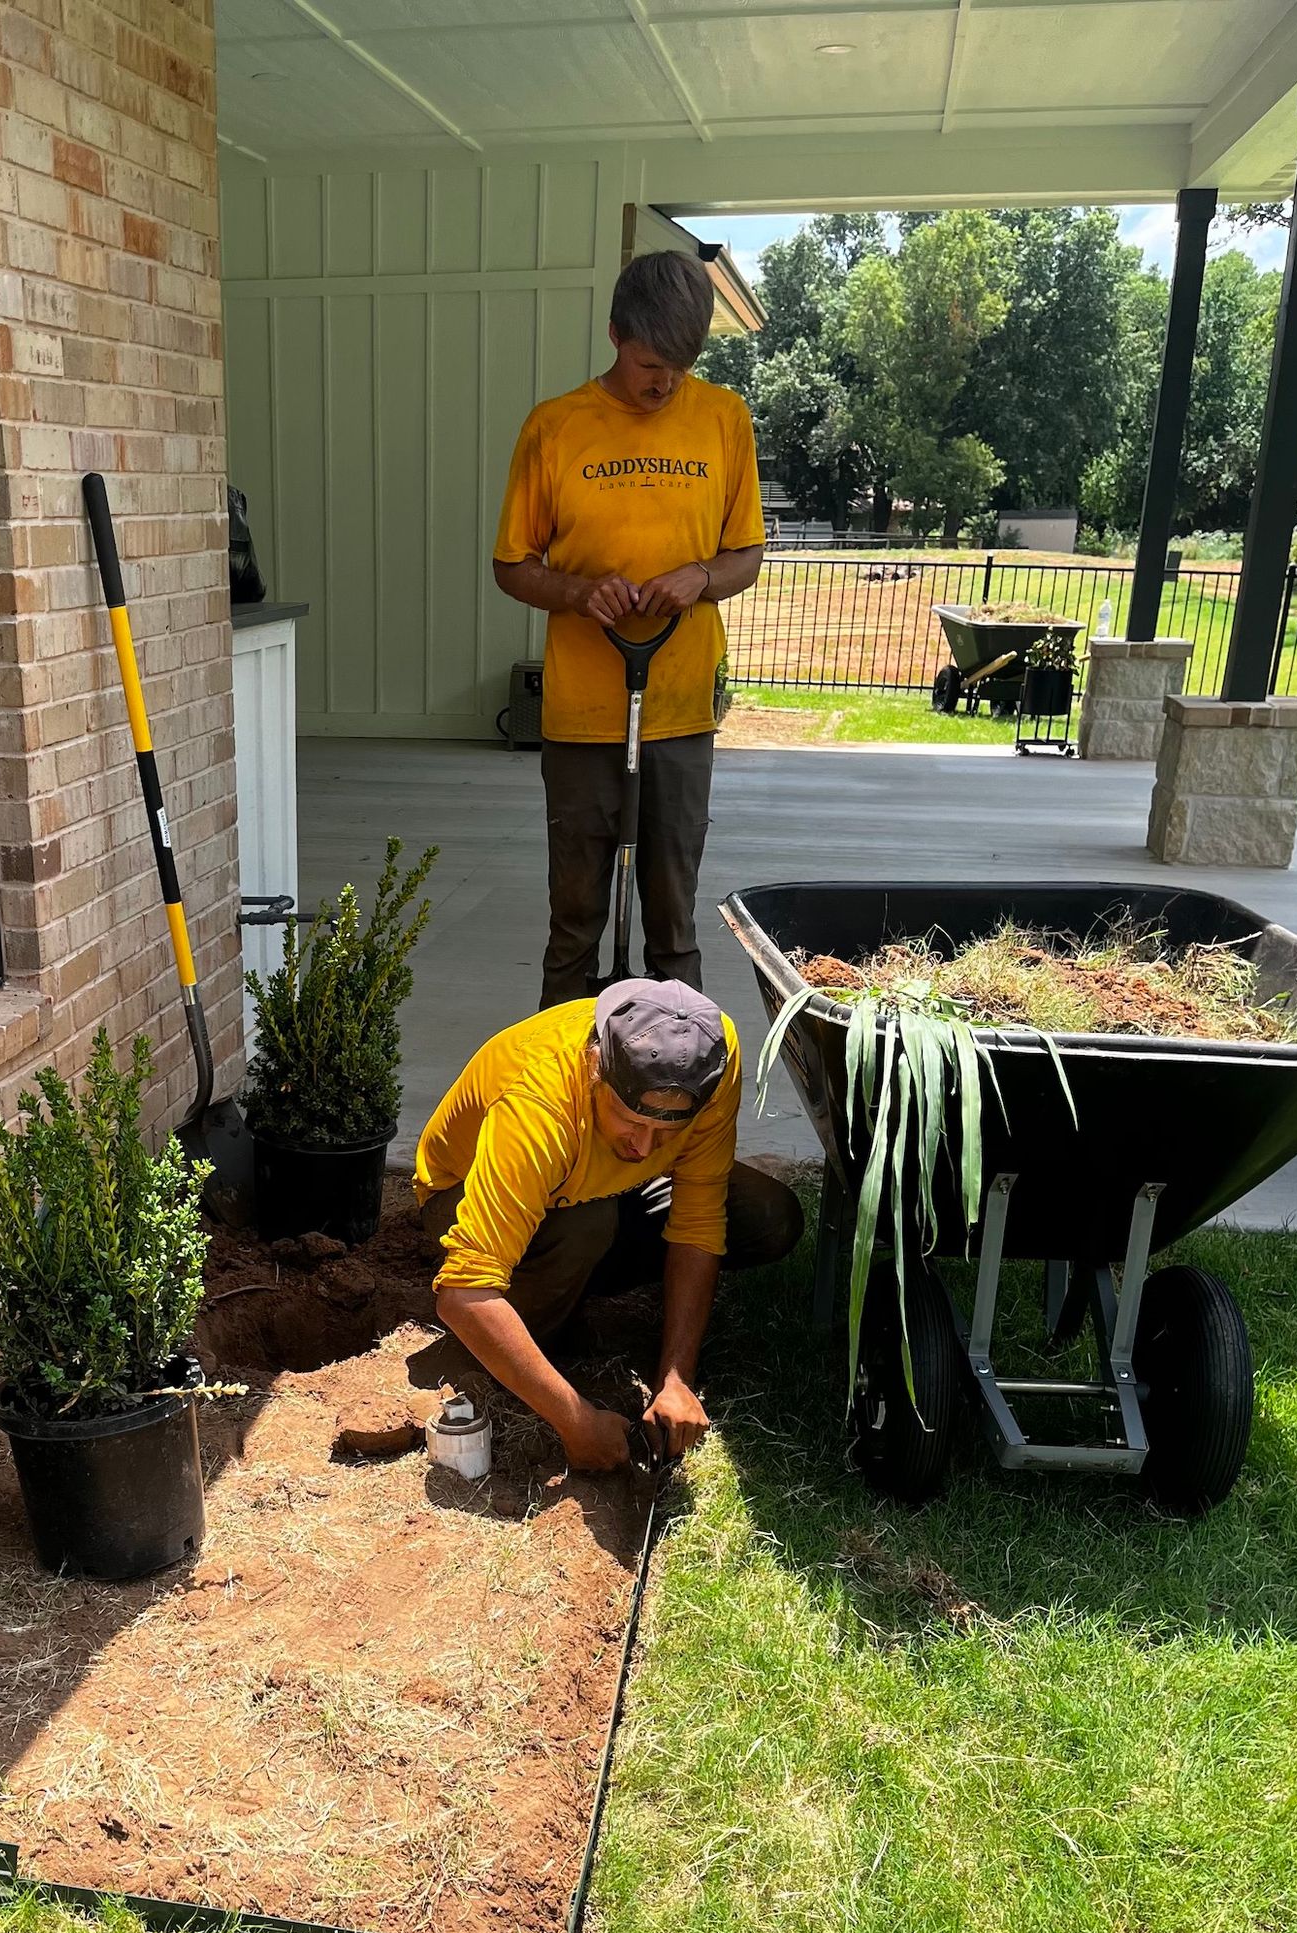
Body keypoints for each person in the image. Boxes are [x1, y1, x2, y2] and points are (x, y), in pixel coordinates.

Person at [493, 248, 766, 1005]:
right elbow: (512, 564)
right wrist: (579, 593)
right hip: (583, 713)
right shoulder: (556, 428)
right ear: (615, 333)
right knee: (574, 921)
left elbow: (746, 555)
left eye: (680, 367)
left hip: (679, 708)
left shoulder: (724, 419)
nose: (664, 383)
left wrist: (701, 577)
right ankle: (568, 1081)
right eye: (651, 363)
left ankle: (680, 1091)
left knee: (673, 922)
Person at [412, 978, 801, 1472]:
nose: (643, 1147)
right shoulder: (540, 1105)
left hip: (598, 1187)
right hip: (462, 1193)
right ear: (596, 1069)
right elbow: (464, 1294)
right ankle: (537, 1331)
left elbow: (700, 1220)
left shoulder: (710, 1059)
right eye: (629, 1121)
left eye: (667, 1131)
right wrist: (577, 1422)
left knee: (766, 1213)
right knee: (586, 1226)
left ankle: (572, 1280)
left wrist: (675, 1379)